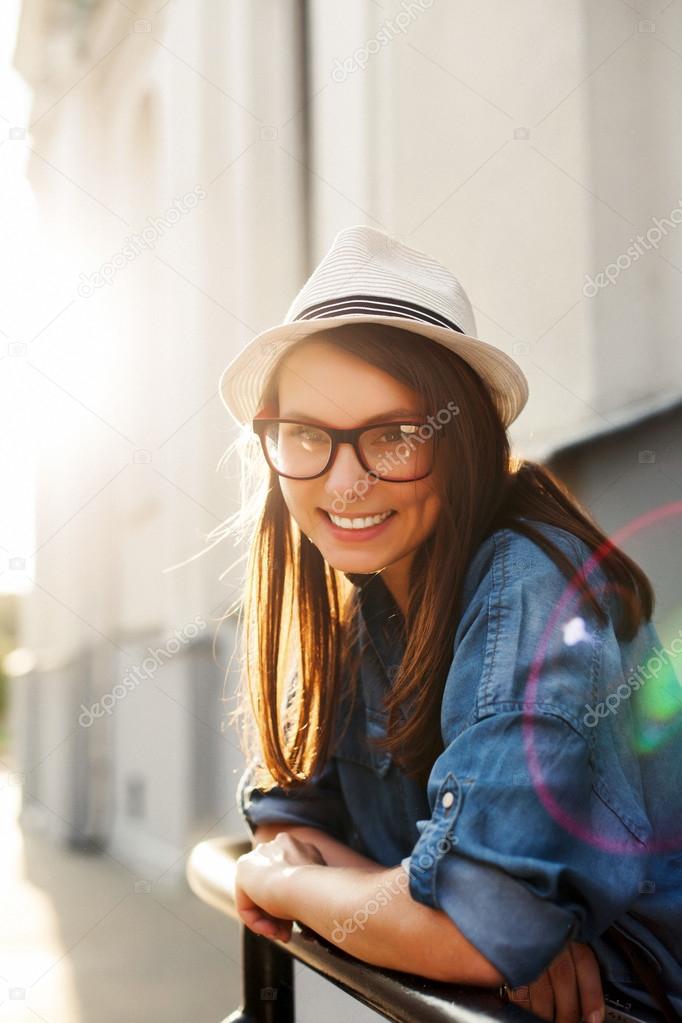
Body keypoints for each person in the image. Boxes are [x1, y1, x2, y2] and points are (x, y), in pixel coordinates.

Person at [217, 225, 682, 1023]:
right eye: (307, 436)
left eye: (395, 435)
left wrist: (281, 884)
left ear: (462, 440)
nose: (347, 481)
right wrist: (423, 916)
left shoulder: (526, 591)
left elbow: (477, 932)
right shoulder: (360, 596)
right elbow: (296, 817)